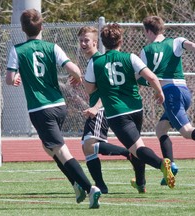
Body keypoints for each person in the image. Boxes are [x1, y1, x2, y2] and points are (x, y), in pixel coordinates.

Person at [5, 9, 101, 209]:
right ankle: (76, 184)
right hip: (59, 105)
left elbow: (9, 79)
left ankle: (89, 187)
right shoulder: (52, 47)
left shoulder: (17, 50)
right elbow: (74, 69)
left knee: (60, 150)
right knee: (49, 148)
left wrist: (15, 80)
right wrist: (76, 77)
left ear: (23, 29)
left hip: (40, 108)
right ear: (42, 27)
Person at [138, 15, 195, 185]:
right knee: (161, 130)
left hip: (170, 94)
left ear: (148, 31)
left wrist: (136, 81)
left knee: (186, 131)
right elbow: (192, 45)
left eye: (145, 32)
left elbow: (143, 75)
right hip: (183, 91)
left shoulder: (146, 51)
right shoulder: (176, 41)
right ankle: (170, 167)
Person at [84, 23, 176, 190]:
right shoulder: (131, 57)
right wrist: (159, 93)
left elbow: (90, 89)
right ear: (121, 40)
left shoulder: (95, 62)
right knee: (136, 147)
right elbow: (152, 78)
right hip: (136, 108)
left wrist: (103, 84)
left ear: (103, 43)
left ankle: (162, 164)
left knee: (137, 148)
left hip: (116, 113)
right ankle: (140, 183)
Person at [77, 26, 146, 194]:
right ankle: (102, 184)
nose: (83, 44)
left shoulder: (99, 60)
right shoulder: (93, 61)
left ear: (95, 42)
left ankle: (126, 154)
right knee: (87, 146)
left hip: (102, 109)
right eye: (81, 41)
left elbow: (108, 89)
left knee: (89, 144)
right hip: (103, 108)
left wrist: (96, 106)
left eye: (87, 40)